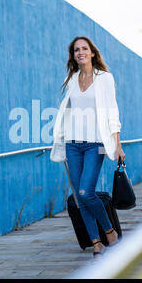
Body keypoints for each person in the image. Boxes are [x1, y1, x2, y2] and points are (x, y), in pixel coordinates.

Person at [50, 36, 126, 257]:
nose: (80, 52)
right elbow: (67, 111)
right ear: (73, 55)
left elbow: (112, 112)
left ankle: (109, 230)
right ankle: (96, 243)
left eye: (84, 49)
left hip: (95, 144)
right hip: (72, 144)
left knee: (86, 191)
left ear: (92, 52)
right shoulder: (72, 78)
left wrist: (118, 144)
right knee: (79, 195)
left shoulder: (105, 78)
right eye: (76, 50)